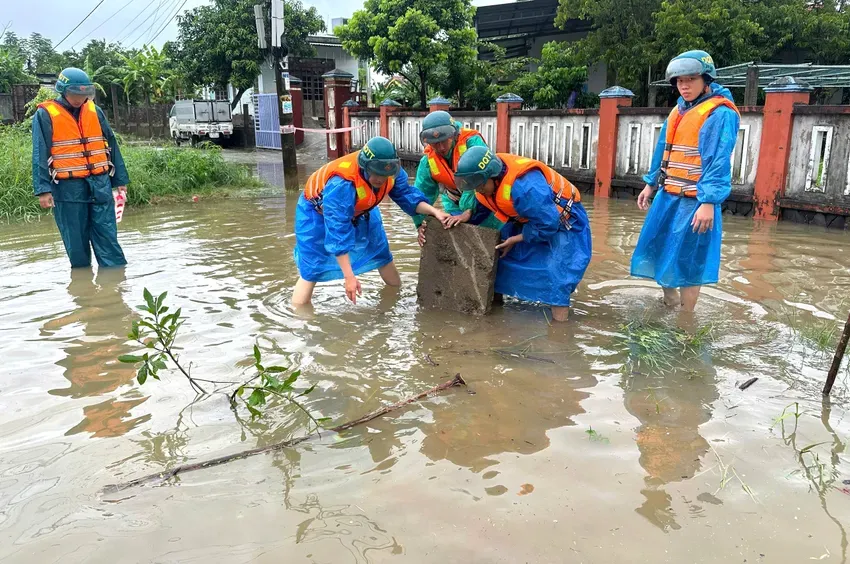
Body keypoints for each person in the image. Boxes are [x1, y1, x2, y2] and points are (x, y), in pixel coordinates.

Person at [631, 50, 740, 312]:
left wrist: (708, 202)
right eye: (680, 81)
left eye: (691, 79)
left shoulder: (720, 113)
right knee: (659, 248)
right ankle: (669, 303)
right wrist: (650, 184)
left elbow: (719, 160)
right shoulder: (679, 109)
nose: (684, 86)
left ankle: (686, 319)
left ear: (706, 80)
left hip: (696, 201)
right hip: (668, 195)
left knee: (690, 261)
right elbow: (662, 149)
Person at [292, 136, 451, 306]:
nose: (380, 180)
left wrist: (435, 211)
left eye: (385, 175)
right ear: (364, 166)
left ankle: (396, 296)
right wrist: (349, 277)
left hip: (363, 209)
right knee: (312, 267)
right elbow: (337, 230)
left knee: (381, 252)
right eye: (376, 173)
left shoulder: (392, 172)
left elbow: (408, 196)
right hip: (317, 214)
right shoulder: (342, 184)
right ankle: (300, 315)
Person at [454, 147, 592, 322]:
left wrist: (517, 238)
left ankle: (560, 329)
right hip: (527, 219)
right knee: (499, 261)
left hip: (563, 222)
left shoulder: (525, 187)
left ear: (492, 176)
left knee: (558, 275)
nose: (478, 190)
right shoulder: (488, 183)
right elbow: (484, 206)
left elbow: (549, 223)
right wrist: (466, 215)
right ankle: (494, 317)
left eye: (480, 186)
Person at [32, 67, 129, 269]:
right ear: (63, 90)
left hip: (100, 184)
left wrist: (120, 180)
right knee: (76, 245)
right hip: (68, 190)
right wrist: (43, 189)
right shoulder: (45, 114)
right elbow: (39, 152)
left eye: (83, 94)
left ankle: (115, 282)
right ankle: (82, 282)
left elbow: (111, 144)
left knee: (108, 239)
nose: (79, 99)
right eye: (75, 94)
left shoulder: (95, 111)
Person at [413, 111, 502, 246]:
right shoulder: (427, 161)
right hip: (454, 203)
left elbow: (479, 177)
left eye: (444, 140)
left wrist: (468, 210)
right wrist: (420, 224)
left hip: (483, 200)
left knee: (494, 240)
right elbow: (419, 195)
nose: (441, 147)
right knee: (462, 242)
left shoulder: (472, 142)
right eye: (435, 143)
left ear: (453, 135)